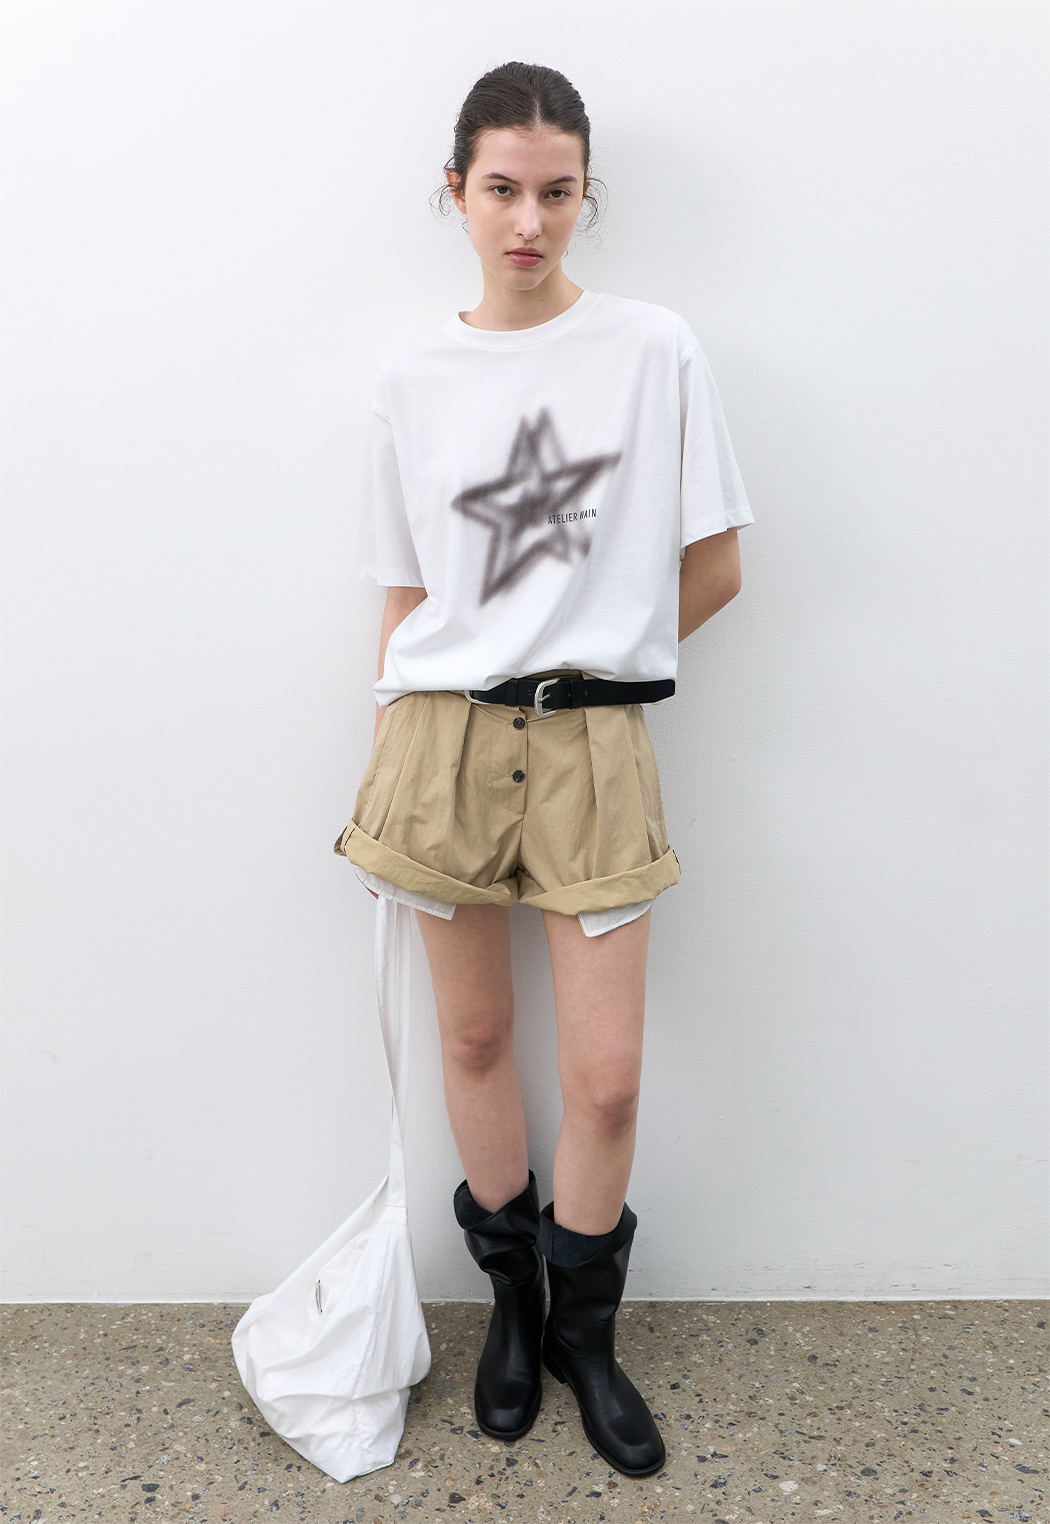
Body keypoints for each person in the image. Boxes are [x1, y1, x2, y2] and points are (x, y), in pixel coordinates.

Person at [334, 61, 753, 1479]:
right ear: (455, 192)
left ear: (586, 195)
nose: (528, 221)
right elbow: (406, 596)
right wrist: (389, 764)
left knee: (608, 1076)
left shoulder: (652, 349)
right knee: (470, 1043)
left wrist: (598, 649)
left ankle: (586, 1332)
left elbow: (716, 566)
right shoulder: (410, 380)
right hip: (439, 740)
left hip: (595, 741)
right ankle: (512, 1308)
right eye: (501, 190)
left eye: (556, 192)